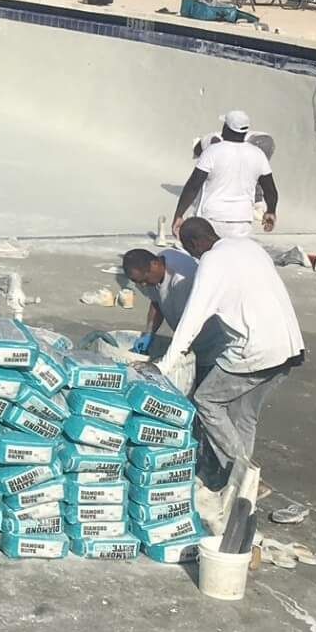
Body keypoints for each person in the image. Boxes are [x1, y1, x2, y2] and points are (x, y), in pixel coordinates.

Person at [153, 216, 305, 530]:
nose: (192, 257)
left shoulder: (211, 263)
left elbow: (192, 320)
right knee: (243, 414)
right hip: (290, 345)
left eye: (189, 250)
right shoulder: (247, 246)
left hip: (256, 350)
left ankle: (244, 472)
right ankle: (242, 487)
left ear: (196, 243)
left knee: (207, 400)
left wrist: (163, 366)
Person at [122, 244, 224, 379]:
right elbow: (156, 302)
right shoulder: (153, 273)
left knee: (203, 388)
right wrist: (149, 333)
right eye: (138, 282)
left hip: (211, 340)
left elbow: (190, 323)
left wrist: (169, 361)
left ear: (154, 264)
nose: (143, 285)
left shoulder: (182, 279)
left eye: (144, 280)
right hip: (188, 336)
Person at [173, 109, 277, 239]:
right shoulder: (258, 154)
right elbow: (270, 190)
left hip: (212, 219)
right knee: (237, 256)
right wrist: (271, 211)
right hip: (242, 221)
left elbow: (193, 186)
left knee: (210, 256)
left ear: (226, 128)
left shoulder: (212, 152)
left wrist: (179, 215)